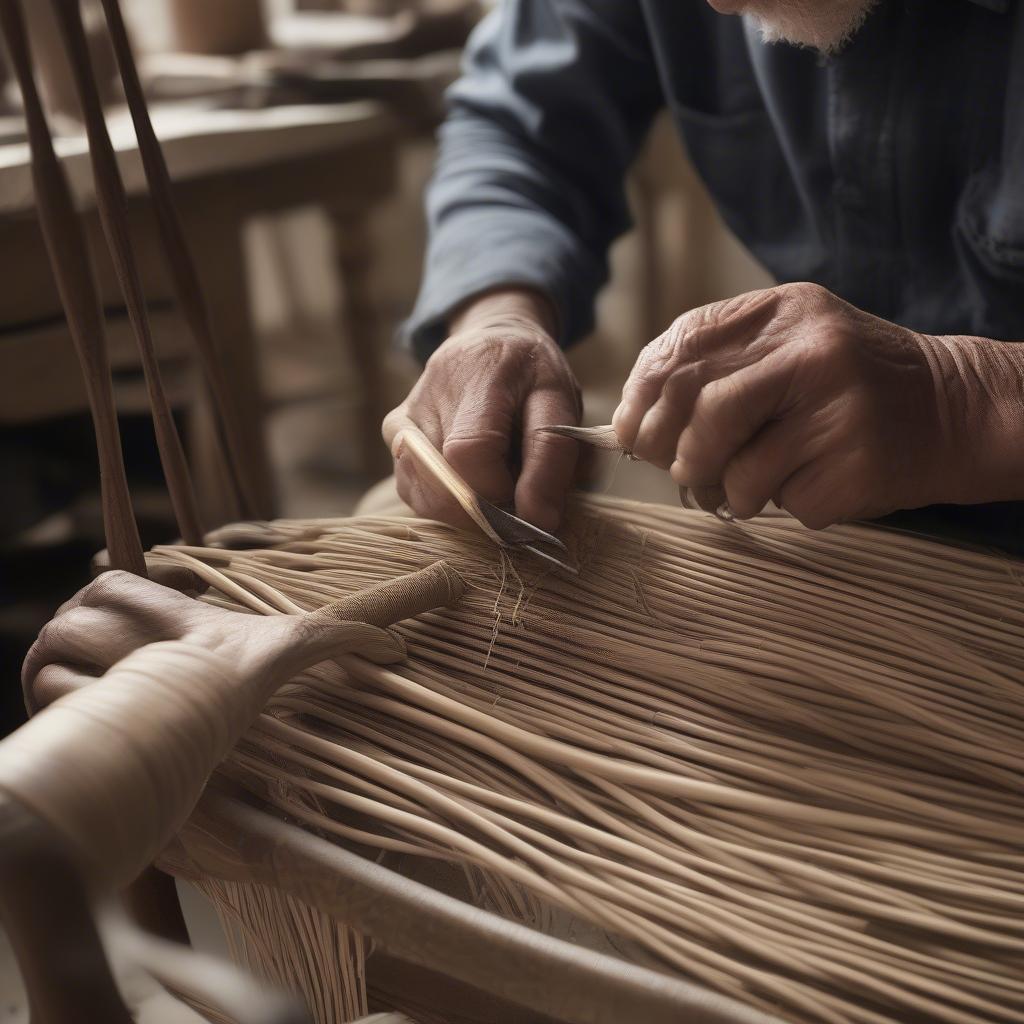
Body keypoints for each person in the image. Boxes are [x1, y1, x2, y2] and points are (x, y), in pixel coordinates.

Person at [382, 0, 1024, 550]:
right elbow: (517, 128)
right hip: (837, 527)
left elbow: (961, 407)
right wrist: (496, 316)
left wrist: (965, 403)